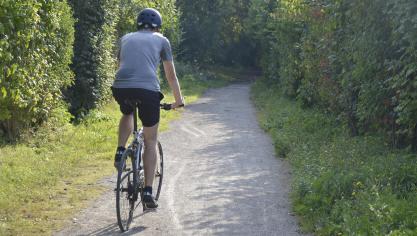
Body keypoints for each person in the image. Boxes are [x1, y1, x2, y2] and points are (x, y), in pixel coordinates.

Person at [111, 8, 184, 209]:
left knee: (127, 112)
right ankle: (148, 192)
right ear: (158, 26)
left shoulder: (125, 38)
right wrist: (178, 100)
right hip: (148, 91)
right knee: (151, 140)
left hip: (121, 86)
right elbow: (171, 76)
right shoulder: (162, 40)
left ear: (138, 24)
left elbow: (122, 63)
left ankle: (120, 150)